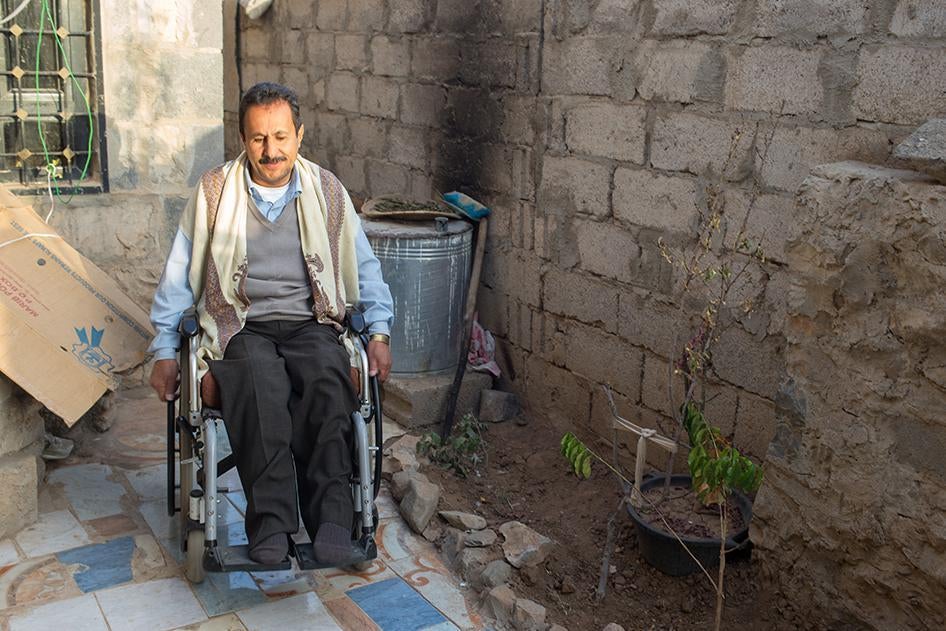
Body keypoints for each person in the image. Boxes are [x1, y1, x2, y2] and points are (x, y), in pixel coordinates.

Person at [147, 82, 394, 565]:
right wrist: (162, 349)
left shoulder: (327, 190)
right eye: (259, 138)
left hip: (312, 322)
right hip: (240, 324)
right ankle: (273, 528)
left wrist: (379, 332)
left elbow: (365, 268)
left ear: (299, 136)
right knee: (260, 387)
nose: (270, 150)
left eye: (281, 137)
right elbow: (179, 273)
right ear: (243, 139)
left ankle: (331, 521)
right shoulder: (214, 191)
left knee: (326, 382)